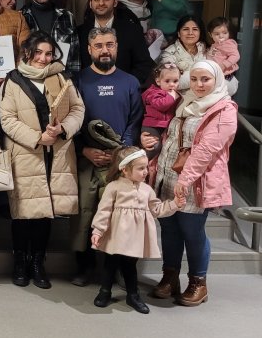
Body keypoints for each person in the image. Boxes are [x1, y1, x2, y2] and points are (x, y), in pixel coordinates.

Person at [142, 60, 237, 307]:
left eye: (205, 79)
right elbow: (170, 135)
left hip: (196, 181)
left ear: (216, 80)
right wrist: (150, 141)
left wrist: (184, 180)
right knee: (170, 229)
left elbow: (207, 150)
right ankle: (169, 277)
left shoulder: (224, 109)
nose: (199, 84)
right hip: (167, 175)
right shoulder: (185, 102)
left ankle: (198, 282)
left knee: (191, 231)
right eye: (194, 79)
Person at [0, 31, 85, 289]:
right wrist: (38, 138)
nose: (43, 58)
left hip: (56, 153)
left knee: (45, 212)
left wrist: (62, 130)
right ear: (28, 52)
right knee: (23, 213)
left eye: (48, 53)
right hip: (27, 153)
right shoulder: (12, 81)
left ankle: (38, 262)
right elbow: (7, 120)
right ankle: (20, 262)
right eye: (38, 53)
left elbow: (77, 109)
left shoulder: (62, 78)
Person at [72, 27, 144, 286]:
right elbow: (73, 120)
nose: (105, 50)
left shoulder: (130, 82)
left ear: (117, 47)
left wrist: (120, 151)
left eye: (110, 44)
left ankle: (111, 271)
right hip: (87, 160)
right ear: (90, 49)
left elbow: (135, 121)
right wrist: (85, 149)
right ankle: (84, 267)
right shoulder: (78, 81)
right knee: (85, 215)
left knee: (117, 216)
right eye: (99, 45)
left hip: (120, 163)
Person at [91, 146, 183, 314]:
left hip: (134, 238)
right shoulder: (114, 187)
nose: (146, 172)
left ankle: (133, 295)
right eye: (141, 168)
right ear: (125, 170)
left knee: (130, 266)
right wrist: (98, 231)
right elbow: (103, 211)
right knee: (110, 264)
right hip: (115, 236)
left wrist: (174, 204)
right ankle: (104, 291)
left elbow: (157, 210)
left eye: (146, 167)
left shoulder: (147, 190)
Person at [77, 0, 154, 84]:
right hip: (88, 92)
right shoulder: (79, 32)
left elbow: (144, 64)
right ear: (90, 4)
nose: (101, 3)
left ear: (115, 3)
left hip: (123, 91)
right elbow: (76, 66)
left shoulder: (132, 30)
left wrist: (127, 85)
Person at [20, 0, 80, 73]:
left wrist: (73, 81)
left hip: (60, 79)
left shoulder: (67, 16)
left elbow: (75, 54)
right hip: (28, 80)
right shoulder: (20, 17)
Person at [141, 62, 181, 159]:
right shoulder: (153, 93)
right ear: (158, 81)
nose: (171, 84)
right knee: (154, 147)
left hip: (165, 126)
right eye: (167, 81)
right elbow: (161, 105)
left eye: (175, 81)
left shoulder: (175, 94)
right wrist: (172, 97)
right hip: (152, 126)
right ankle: (141, 162)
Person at [160, 15, 207, 91]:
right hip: (182, 97)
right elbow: (171, 81)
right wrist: (205, 75)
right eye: (185, 29)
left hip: (207, 95)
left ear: (200, 33)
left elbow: (219, 75)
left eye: (195, 29)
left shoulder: (208, 50)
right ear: (179, 33)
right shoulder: (168, 53)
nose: (190, 33)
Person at [206, 17, 239, 95]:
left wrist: (224, 64)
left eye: (225, 33)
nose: (221, 36)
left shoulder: (228, 43)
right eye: (217, 34)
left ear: (229, 32)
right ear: (210, 34)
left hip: (225, 77)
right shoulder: (215, 45)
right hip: (217, 75)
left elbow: (236, 55)